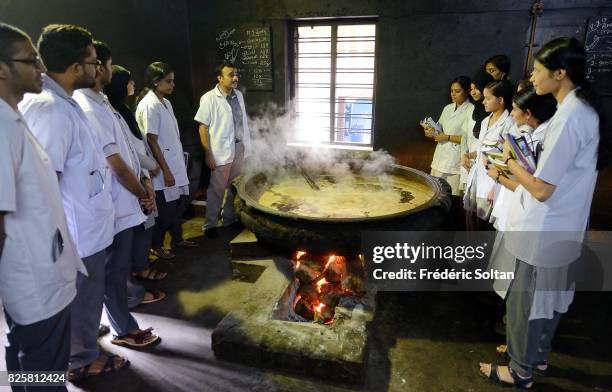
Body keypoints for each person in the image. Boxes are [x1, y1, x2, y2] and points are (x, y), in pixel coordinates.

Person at [479, 37, 609, 389]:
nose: (532, 78)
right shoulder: (582, 109)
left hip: (542, 231)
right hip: (562, 225)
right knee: (548, 300)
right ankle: (536, 355)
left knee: (526, 303)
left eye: (538, 70)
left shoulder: (569, 118)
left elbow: (540, 187)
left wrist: (509, 161)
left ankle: (520, 371)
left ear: (561, 73)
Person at [18, 24, 129, 381]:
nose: (98, 69)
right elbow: (44, 181)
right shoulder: (51, 109)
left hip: (88, 219)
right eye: (93, 62)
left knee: (86, 293)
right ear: (76, 66)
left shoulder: (66, 101)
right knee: (84, 289)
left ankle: (80, 338)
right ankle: (81, 359)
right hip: (78, 228)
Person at [0, 22, 85, 390]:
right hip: (33, 283)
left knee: (29, 366)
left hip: (41, 273)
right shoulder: (2, 129)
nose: (40, 69)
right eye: (31, 61)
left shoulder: (14, 120)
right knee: (43, 373)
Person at [73, 41, 161, 354]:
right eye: (105, 62)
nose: (109, 68)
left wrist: (144, 180)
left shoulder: (102, 102)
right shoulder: (85, 106)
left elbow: (128, 152)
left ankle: (99, 326)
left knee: (110, 273)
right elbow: (115, 162)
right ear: (97, 67)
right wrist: (142, 194)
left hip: (123, 200)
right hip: (113, 204)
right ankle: (122, 330)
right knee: (111, 273)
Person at [105, 64, 168, 306]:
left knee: (143, 229)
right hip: (128, 186)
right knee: (122, 247)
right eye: (129, 81)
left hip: (140, 178)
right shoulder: (107, 111)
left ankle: (139, 269)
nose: (133, 85)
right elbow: (121, 155)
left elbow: (132, 149)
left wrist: (145, 177)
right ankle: (131, 290)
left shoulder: (121, 110)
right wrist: (148, 174)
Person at [135, 62, 196, 258]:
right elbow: (151, 141)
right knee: (165, 210)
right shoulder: (149, 105)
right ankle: (157, 245)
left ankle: (177, 239)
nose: (173, 85)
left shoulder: (165, 102)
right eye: (168, 81)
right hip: (162, 169)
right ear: (155, 82)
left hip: (174, 163)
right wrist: (166, 170)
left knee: (178, 205)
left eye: (173, 81)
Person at [486, 87, 556, 231]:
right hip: (520, 210)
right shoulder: (533, 135)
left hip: (531, 217)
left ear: (528, 113)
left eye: (514, 109)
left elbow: (532, 189)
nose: (511, 114)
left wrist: (502, 170)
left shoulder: (541, 142)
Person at [195, 62, 252, 238]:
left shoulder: (239, 95)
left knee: (234, 187)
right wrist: (208, 153)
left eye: (236, 74)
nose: (235, 77)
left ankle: (229, 219)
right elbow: (202, 127)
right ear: (220, 78)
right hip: (220, 151)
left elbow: (242, 123)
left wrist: (247, 148)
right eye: (230, 74)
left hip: (239, 147)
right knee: (217, 189)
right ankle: (210, 225)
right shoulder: (209, 98)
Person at [463, 80, 514, 227]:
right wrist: (468, 155)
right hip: (477, 178)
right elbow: (482, 149)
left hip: (492, 183)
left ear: (500, 100)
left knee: (485, 228)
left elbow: (507, 160)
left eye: (487, 98)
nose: (483, 101)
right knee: (473, 224)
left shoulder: (509, 124)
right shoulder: (486, 120)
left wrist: (496, 187)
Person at [422, 76, 473, 196]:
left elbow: (470, 139)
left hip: (456, 159)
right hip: (440, 156)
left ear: (467, 92)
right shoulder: (448, 108)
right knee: (435, 193)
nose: (453, 94)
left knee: (452, 196)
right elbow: (439, 129)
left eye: (457, 91)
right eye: (452, 91)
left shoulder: (471, 110)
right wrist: (430, 132)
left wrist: (446, 137)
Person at [459, 70, 494, 195]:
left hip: (485, 167)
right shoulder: (472, 109)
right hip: (468, 162)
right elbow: (465, 136)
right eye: (471, 88)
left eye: (477, 88)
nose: (473, 92)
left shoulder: (492, 113)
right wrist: (464, 156)